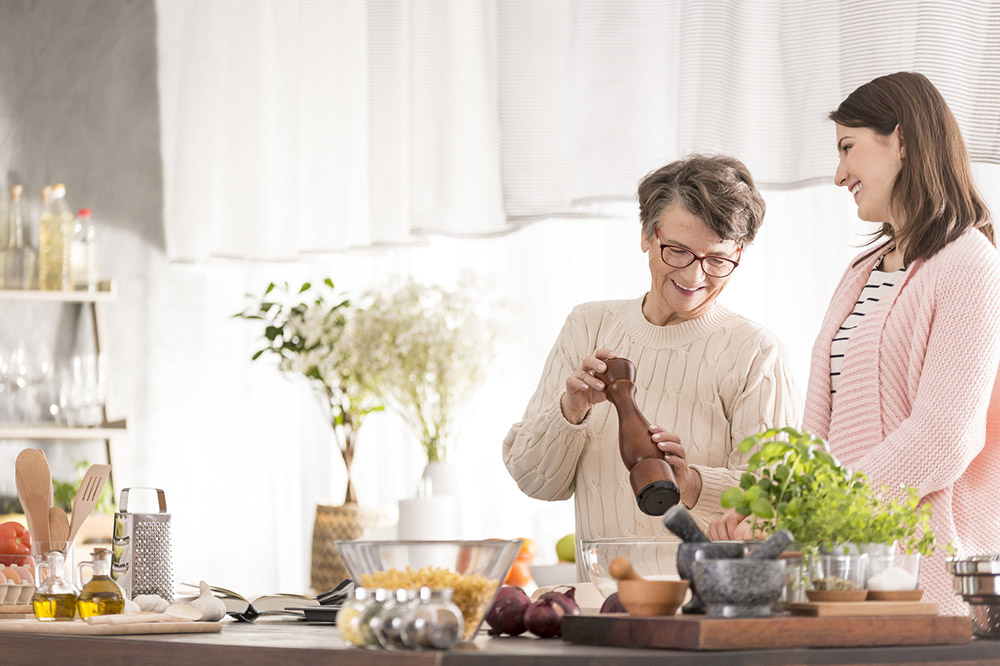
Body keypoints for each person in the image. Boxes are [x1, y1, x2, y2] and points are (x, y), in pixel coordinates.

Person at [712, 72, 1000, 614]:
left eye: (849, 147)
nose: (839, 172)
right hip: (841, 574)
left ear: (905, 141)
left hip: (923, 578)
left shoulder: (970, 265)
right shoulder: (860, 272)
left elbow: (944, 437)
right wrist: (772, 510)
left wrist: (814, 512)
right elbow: (815, 437)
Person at [502, 154, 801, 578]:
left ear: (738, 252)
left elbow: (778, 506)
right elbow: (536, 481)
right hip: (602, 607)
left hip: (705, 610)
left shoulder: (755, 352)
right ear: (646, 235)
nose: (696, 277)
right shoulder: (589, 326)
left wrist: (692, 482)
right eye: (677, 250)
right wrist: (569, 413)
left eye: (717, 260)